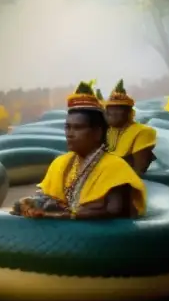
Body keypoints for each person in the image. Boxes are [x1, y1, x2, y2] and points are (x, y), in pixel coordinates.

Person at [11, 81, 146, 220]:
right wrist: (29, 204)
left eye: (78, 128)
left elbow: (115, 211)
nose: (70, 133)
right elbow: (45, 197)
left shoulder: (115, 167)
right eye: (67, 127)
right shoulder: (61, 163)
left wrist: (65, 215)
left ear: (97, 133)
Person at [104, 79, 157, 176]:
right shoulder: (107, 131)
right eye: (109, 109)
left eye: (117, 109)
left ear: (129, 113)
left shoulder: (142, 131)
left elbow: (139, 170)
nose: (111, 113)